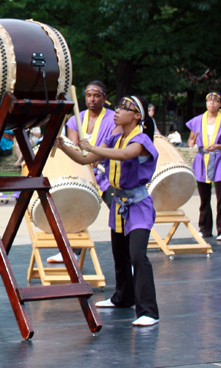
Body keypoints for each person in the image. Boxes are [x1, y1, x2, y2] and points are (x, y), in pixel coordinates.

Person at [54, 95, 159, 326]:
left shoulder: (141, 140)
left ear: (137, 116)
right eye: (118, 107)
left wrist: (93, 145)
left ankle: (148, 311)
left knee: (137, 256)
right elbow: (85, 159)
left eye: (125, 108)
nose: (118, 111)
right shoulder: (115, 139)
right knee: (119, 255)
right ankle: (123, 298)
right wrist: (63, 146)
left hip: (138, 205)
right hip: (120, 205)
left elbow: (125, 155)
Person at [47, 80, 119, 263]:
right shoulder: (74, 120)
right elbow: (73, 148)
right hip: (84, 174)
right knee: (75, 211)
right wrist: (80, 156)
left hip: (107, 174)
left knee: (118, 213)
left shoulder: (113, 119)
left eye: (96, 95)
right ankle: (72, 251)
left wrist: (96, 156)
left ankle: (127, 256)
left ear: (105, 98)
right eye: (88, 95)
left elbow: (113, 144)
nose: (92, 99)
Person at [186, 91, 221, 241]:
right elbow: (190, 140)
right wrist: (192, 142)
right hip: (202, 159)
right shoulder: (197, 121)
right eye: (209, 101)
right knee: (204, 197)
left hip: (218, 158)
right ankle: (205, 228)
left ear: (220, 104)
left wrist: (217, 146)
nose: (211, 103)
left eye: (215, 101)